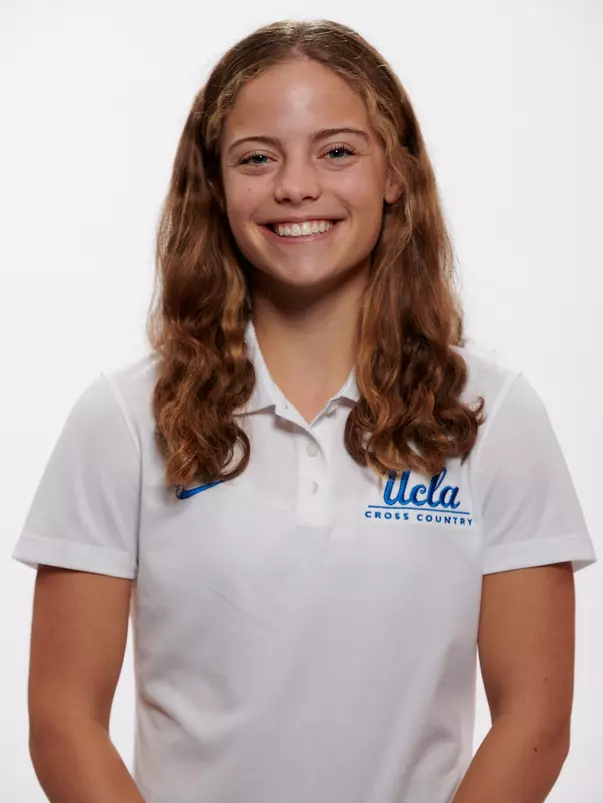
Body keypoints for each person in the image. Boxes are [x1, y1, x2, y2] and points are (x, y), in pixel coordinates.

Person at [12, 18, 597, 803]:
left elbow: (534, 718)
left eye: (336, 150)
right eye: (257, 157)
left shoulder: (491, 415)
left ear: (394, 172)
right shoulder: (122, 417)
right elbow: (62, 718)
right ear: (214, 185)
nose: (296, 186)